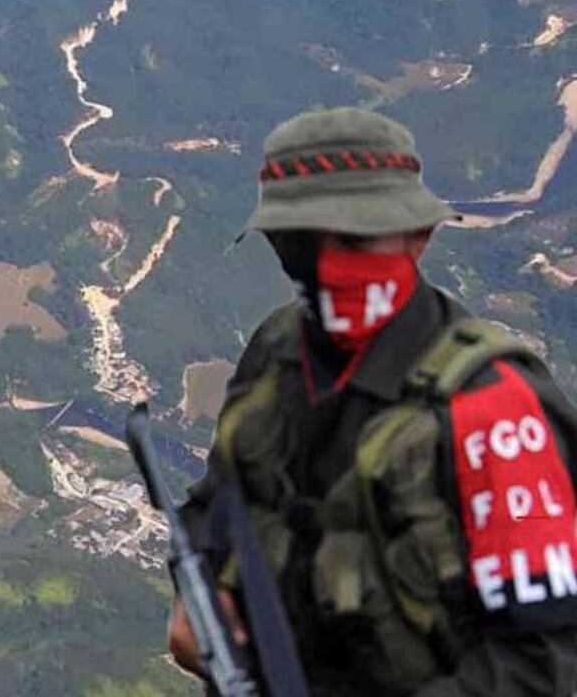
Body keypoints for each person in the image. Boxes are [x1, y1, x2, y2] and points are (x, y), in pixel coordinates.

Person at [168, 107, 577, 695]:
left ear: (419, 238)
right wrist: (199, 596)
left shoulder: (493, 412)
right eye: (302, 240)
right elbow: (219, 503)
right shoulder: (279, 351)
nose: (330, 266)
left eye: (358, 238)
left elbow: (542, 665)